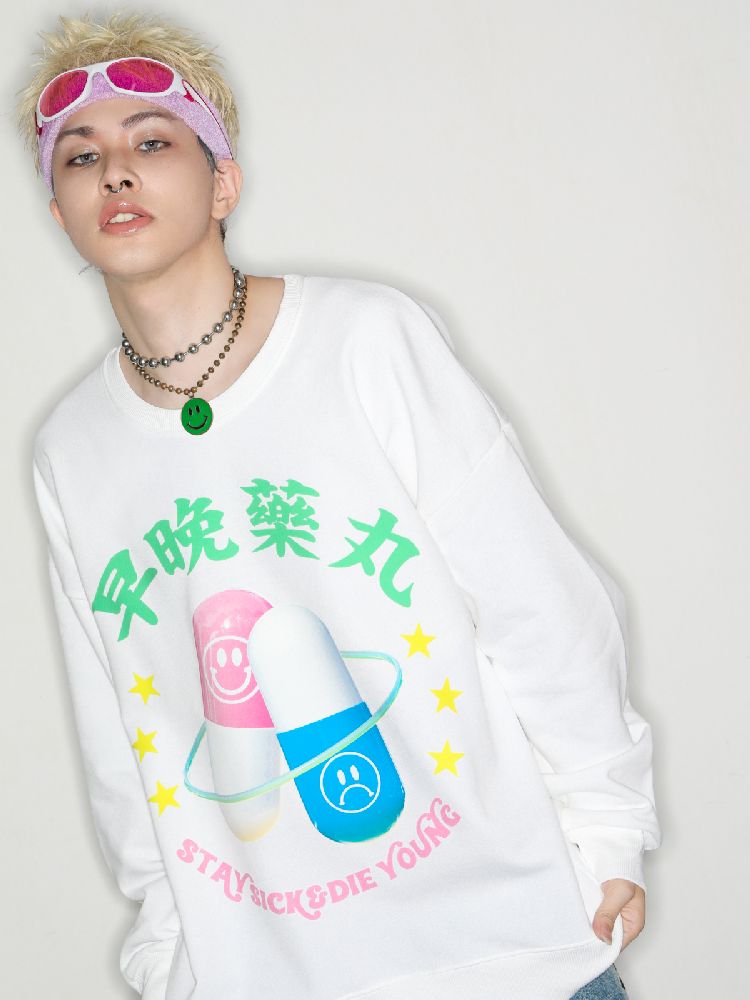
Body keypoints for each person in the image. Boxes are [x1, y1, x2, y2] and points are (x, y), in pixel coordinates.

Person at [17, 10, 661, 1000]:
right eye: (81, 156)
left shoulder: (363, 340)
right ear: (60, 213)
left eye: (153, 142)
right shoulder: (73, 449)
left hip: (505, 956)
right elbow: (118, 724)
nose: (116, 174)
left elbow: (536, 596)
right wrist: (166, 946)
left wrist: (607, 821)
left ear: (222, 183)